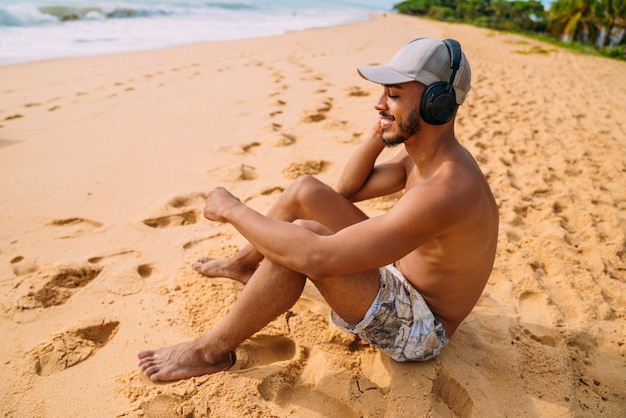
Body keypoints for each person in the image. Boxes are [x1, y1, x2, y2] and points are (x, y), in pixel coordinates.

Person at [137, 37, 499, 382]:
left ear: (439, 105)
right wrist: (383, 129)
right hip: (400, 269)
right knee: (305, 189)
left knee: (299, 244)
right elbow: (348, 189)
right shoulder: (422, 159)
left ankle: (209, 352)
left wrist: (233, 209)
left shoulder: (446, 189)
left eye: (393, 95)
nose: (379, 103)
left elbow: (317, 259)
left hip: (423, 325)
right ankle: (242, 265)